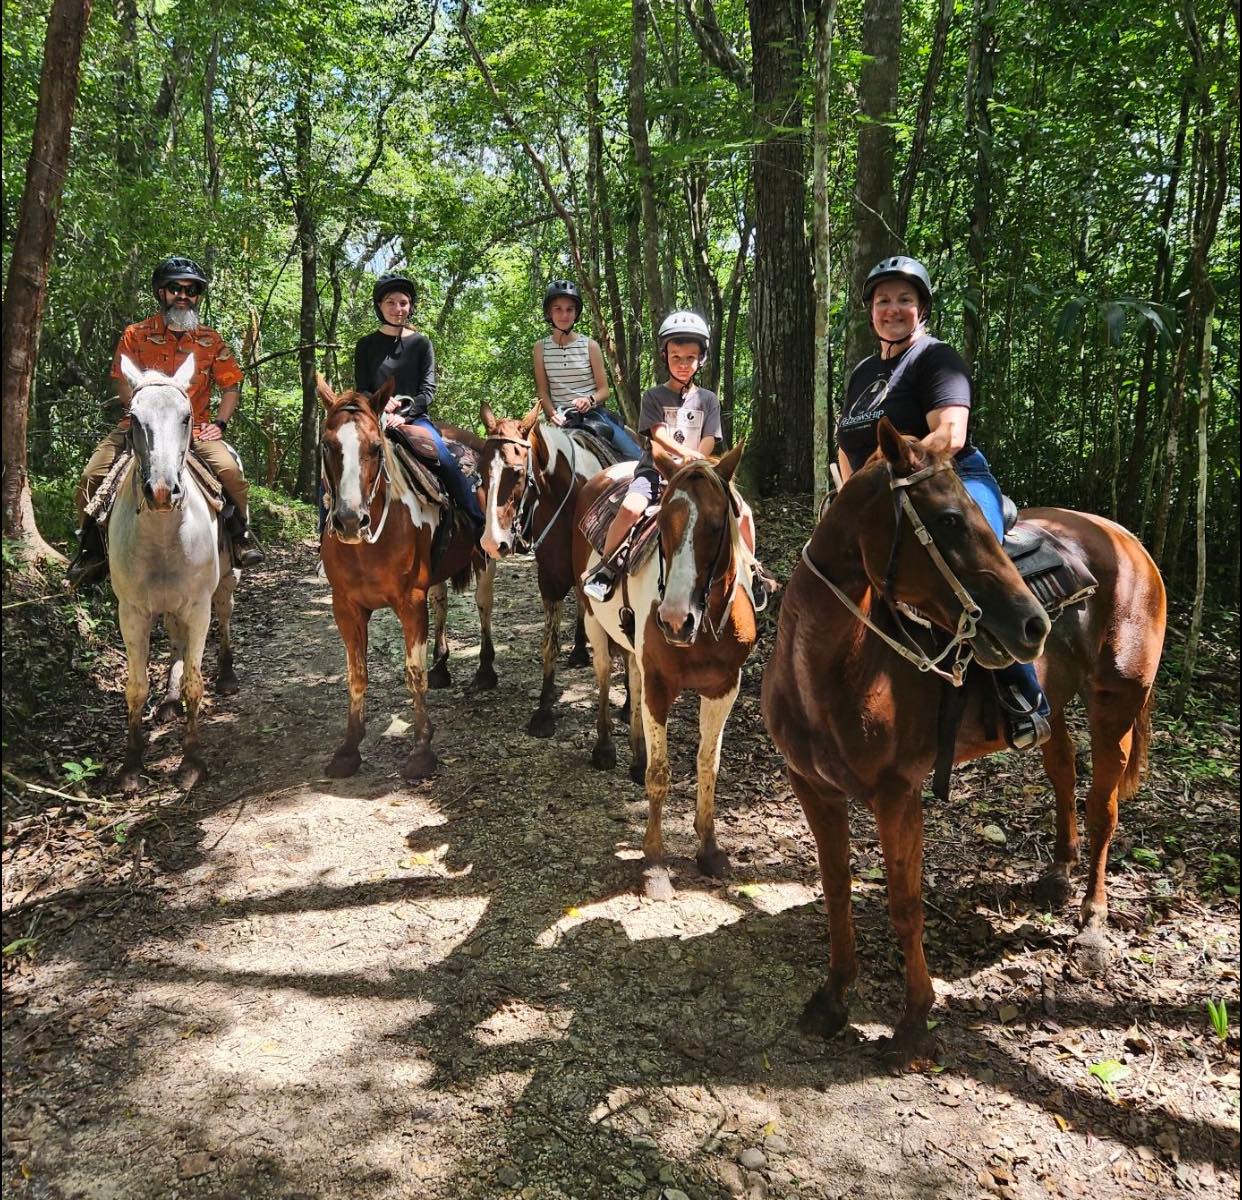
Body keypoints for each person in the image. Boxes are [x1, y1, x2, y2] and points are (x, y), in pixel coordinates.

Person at [836, 254, 1050, 750]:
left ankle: (1023, 695)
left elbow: (949, 434)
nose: (892, 309)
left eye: (904, 300)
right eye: (883, 300)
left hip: (949, 482)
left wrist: (893, 468)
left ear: (922, 309)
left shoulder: (938, 359)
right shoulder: (863, 373)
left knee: (973, 556)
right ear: (870, 310)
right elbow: (847, 448)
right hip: (880, 498)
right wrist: (848, 501)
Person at [67, 255, 264, 588]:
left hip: (194, 426)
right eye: (175, 288)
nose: (183, 296)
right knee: (91, 475)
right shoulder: (136, 335)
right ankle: (92, 551)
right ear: (161, 292)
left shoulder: (211, 340)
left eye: (192, 290)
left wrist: (221, 423)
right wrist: (143, 415)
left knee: (229, 471)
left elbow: (231, 385)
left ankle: (239, 536)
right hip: (139, 425)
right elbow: (121, 380)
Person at [582, 311, 772, 610]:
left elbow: (710, 437)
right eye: (676, 357)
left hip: (699, 475)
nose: (683, 364)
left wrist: (698, 459)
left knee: (744, 514)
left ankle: (751, 571)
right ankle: (607, 567)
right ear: (665, 357)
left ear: (701, 359)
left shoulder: (708, 399)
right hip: (656, 470)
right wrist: (686, 455)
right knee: (631, 508)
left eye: (690, 358)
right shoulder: (654, 397)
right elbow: (657, 435)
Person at [354, 273, 484, 534]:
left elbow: (428, 390)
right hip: (375, 418)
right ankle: (326, 534)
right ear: (379, 306)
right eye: (391, 302)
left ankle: (476, 523)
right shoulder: (365, 345)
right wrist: (380, 402)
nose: (398, 309)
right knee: (338, 455)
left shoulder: (421, 343)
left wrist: (405, 414)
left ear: (410, 306)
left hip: (414, 419)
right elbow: (363, 389)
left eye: (403, 303)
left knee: (447, 461)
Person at [535, 280, 642, 461]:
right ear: (549, 312)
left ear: (576, 313)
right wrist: (552, 414)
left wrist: (589, 399)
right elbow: (542, 391)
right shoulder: (540, 348)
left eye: (570, 309)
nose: (564, 314)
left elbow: (604, 390)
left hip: (593, 415)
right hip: (561, 417)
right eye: (558, 309)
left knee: (636, 455)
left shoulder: (590, 346)